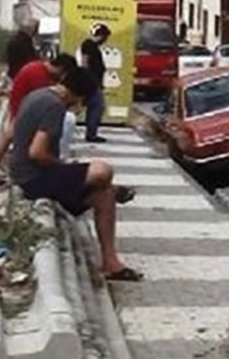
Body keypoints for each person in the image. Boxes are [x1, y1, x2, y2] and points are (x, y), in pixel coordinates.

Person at [10, 68, 142, 281]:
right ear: (80, 97)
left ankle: (111, 263)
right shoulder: (54, 106)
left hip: (25, 175)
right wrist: (63, 167)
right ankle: (114, 189)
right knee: (103, 171)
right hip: (34, 179)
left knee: (104, 195)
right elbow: (37, 152)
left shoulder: (36, 95)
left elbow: (11, 129)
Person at [0, 54, 78, 178]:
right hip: (25, 113)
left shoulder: (36, 67)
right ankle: (58, 164)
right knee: (67, 120)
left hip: (20, 109)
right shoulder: (40, 77)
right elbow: (49, 104)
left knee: (9, 136)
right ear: (62, 69)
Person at [80, 23, 110, 143]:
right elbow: (85, 62)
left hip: (94, 81)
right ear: (101, 36)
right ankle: (91, 134)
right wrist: (88, 79)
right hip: (92, 82)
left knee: (93, 107)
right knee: (97, 107)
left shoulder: (93, 46)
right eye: (105, 38)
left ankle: (91, 132)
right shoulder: (89, 45)